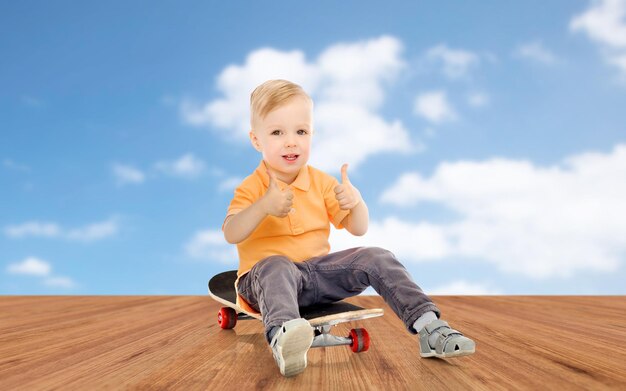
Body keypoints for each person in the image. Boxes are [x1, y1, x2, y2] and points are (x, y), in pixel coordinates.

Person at [222, 79, 475, 377]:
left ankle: (430, 329)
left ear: (312, 134)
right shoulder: (252, 188)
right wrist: (263, 206)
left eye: (301, 131)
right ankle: (283, 338)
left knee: (377, 256)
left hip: (316, 275)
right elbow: (231, 233)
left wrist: (356, 202)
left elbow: (359, 228)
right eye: (277, 132)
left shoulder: (322, 182)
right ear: (256, 140)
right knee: (277, 265)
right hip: (265, 281)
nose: (291, 141)